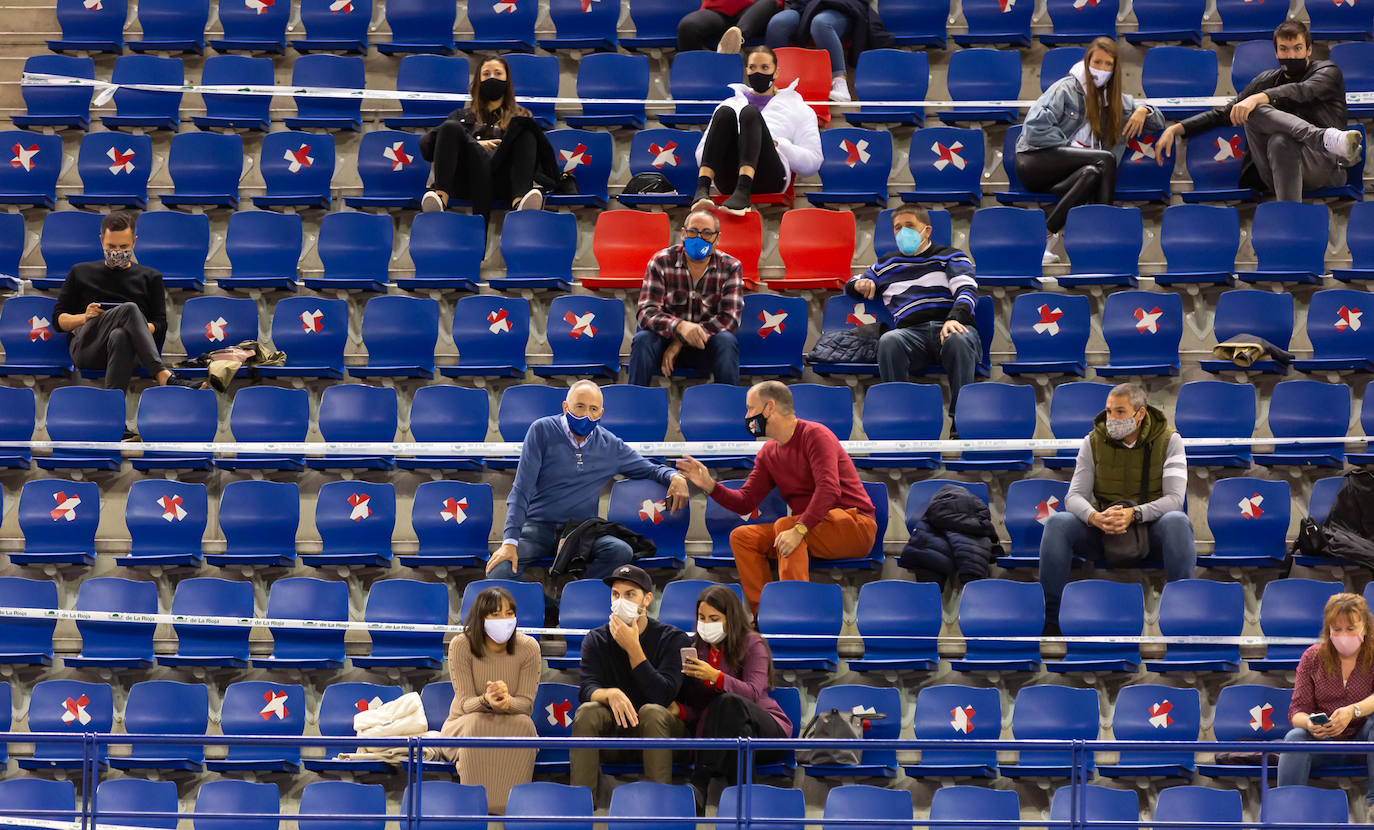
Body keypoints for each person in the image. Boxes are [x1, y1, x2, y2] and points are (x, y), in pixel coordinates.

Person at [676, 381, 877, 613]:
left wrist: (799, 529)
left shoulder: (815, 434)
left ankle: (793, 616)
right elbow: (745, 501)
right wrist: (710, 486)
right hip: (811, 528)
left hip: (855, 526)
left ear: (769, 408)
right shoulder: (768, 453)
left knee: (786, 526)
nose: (747, 416)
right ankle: (765, 617)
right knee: (742, 537)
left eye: (751, 409)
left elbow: (829, 489)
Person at [487, 380, 690, 581]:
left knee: (620, 551)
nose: (586, 415)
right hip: (537, 528)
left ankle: (573, 599)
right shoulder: (541, 430)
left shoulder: (610, 445)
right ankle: (549, 608)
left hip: (580, 532)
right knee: (500, 569)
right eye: (580, 407)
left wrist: (674, 476)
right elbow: (521, 489)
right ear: (565, 407)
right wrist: (509, 542)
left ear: (601, 413)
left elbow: (650, 469)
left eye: (593, 409)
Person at [1037, 382, 1193, 634]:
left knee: (1178, 521)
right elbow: (1074, 496)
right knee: (1057, 523)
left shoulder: (1170, 441)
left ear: (1140, 413)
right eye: (1109, 411)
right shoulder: (1092, 441)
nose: (1111, 418)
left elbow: (1174, 499)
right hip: (1105, 529)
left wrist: (1135, 514)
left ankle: (1183, 618)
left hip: (1148, 530)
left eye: (1119, 412)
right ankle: (1051, 621)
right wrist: (1095, 517)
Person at [1156, 20, 1362, 203]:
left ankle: (1289, 217)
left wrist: (1260, 97)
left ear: (1309, 50)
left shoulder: (1328, 72)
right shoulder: (1265, 80)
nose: (1291, 55)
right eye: (1284, 49)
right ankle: (1324, 137)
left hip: (1323, 166)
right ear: (1276, 53)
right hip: (1274, 170)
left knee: (1270, 127)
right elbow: (1223, 114)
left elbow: (1302, 91)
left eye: (1297, 48)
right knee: (1259, 120)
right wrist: (1175, 129)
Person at [1015, 37, 1165, 264]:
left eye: (1108, 64)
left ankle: (1040, 240)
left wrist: (1144, 110)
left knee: (1093, 172)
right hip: (1034, 162)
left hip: (1067, 173)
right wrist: (1068, 147)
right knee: (1104, 160)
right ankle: (1103, 234)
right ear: (1087, 62)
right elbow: (1034, 129)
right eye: (1097, 63)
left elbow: (1159, 123)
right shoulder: (1065, 88)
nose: (1102, 69)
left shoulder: (1114, 101)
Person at [845, 205, 982, 420]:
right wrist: (860, 284)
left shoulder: (950, 256)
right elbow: (852, 283)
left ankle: (962, 420)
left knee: (958, 338)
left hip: (949, 326)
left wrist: (953, 319)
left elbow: (967, 290)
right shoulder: (885, 264)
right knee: (890, 340)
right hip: (911, 334)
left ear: (927, 231)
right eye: (897, 228)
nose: (902, 232)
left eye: (909, 226)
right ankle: (898, 417)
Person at [54, 211, 200, 405]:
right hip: (88, 347)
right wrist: (84, 317)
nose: (117, 252)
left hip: (132, 351)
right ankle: (162, 373)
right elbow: (58, 320)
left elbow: (160, 326)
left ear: (134, 242)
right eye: (111, 246)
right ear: (101, 241)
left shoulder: (151, 277)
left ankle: (114, 418)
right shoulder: (80, 272)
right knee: (130, 309)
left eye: (123, 246)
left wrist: (134, 326)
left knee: (121, 334)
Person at [572, 564, 691, 797]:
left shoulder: (673, 638)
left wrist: (633, 649)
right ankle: (581, 805)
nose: (620, 601)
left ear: (647, 599)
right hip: (616, 730)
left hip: (663, 733)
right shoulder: (596, 638)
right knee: (588, 711)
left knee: (652, 711)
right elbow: (587, 687)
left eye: (630, 594)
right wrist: (610, 694)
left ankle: (657, 807)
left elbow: (664, 695)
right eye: (616, 594)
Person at [673, 584, 790, 814]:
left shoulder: (752, 643)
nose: (706, 624)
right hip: (731, 736)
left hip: (767, 728)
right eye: (702, 617)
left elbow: (754, 693)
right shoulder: (697, 649)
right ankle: (746, 808)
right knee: (740, 734)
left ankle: (700, 782)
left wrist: (717, 677)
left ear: (731, 618)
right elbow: (703, 708)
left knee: (729, 702)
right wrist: (682, 711)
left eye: (714, 618)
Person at [439, 586, 540, 814]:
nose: (504, 619)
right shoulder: (461, 645)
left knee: (525, 725)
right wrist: (487, 700)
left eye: (509, 613)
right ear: (481, 617)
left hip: (511, 721)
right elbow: (465, 704)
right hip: (463, 723)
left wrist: (506, 703)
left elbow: (526, 705)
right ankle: (473, 810)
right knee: (476, 722)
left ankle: (515, 812)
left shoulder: (529, 648)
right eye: (495, 614)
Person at [418, 55, 557, 218]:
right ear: (478, 79)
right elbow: (426, 148)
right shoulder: (459, 116)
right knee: (450, 127)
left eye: (498, 73)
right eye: (486, 74)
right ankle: (441, 198)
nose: (492, 78)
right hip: (466, 181)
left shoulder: (521, 115)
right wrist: (473, 145)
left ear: (507, 80)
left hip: (503, 182)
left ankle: (519, 201)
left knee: (525, 128)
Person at [692, 46, 822, 216]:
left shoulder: (799, 108)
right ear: (746, 70)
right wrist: (734, 144)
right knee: (725, 113)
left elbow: (813, 162)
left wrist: (780, 145)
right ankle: (702, 190)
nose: (758, 72)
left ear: (776, 72)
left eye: (765, 68)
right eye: (753, 67)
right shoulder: (729, 103)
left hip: (770, 177)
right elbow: (701, 153)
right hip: (729, 178)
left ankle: (743, 191)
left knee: (750, 113)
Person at [628, 209, 744, 387]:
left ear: (717, 239)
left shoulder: (731, 267)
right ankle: (633, 407)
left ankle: (728, 408)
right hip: (664, 343)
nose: (698, 238)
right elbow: (646, 312)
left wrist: (680, 341)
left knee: (727, 341)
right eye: (693, 231)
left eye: (706, 233)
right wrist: (680, 327)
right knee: (643, 339)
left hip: (705, 345)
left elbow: (730, 319)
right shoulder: (661, 261)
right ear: (683, 233)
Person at [1279, 592, 1374, 808]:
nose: (1343, 635)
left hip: (1365, 743)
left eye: (1350, 629)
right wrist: (1309, 723)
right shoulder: (1312, 658)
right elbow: (1297, 712)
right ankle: (1285, 810)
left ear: (1365, 628)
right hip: (1326, 743)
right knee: (1295, 736)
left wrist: (1353, 711)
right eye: (1337, 629)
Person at [763, 0, 894, 102]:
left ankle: (840, 82)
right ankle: (772, 83)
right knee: (778, 23)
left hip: (841, 8)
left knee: (821, 23)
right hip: (806, 7)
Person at [677, 0, 778, 55]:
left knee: (768, 2)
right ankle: (695, 79)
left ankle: (735, 39)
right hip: (717, 12)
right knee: (688, 26)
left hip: (752, 11)